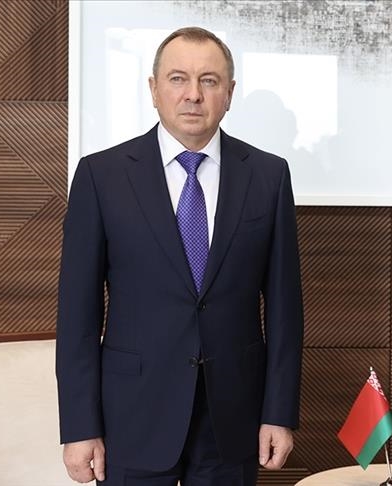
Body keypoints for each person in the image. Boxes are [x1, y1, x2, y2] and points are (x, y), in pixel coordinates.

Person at [56, 27, 304, 486]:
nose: (193, 94)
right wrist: (80, 426)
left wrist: (279, 412)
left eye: (209, 80)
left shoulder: (268, 176)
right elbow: (78, 316)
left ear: (229, 93)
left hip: (234, 418)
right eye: (177, 79)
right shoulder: (101, 176)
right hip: (131, 417)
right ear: (154, 89)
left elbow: (286, 311)